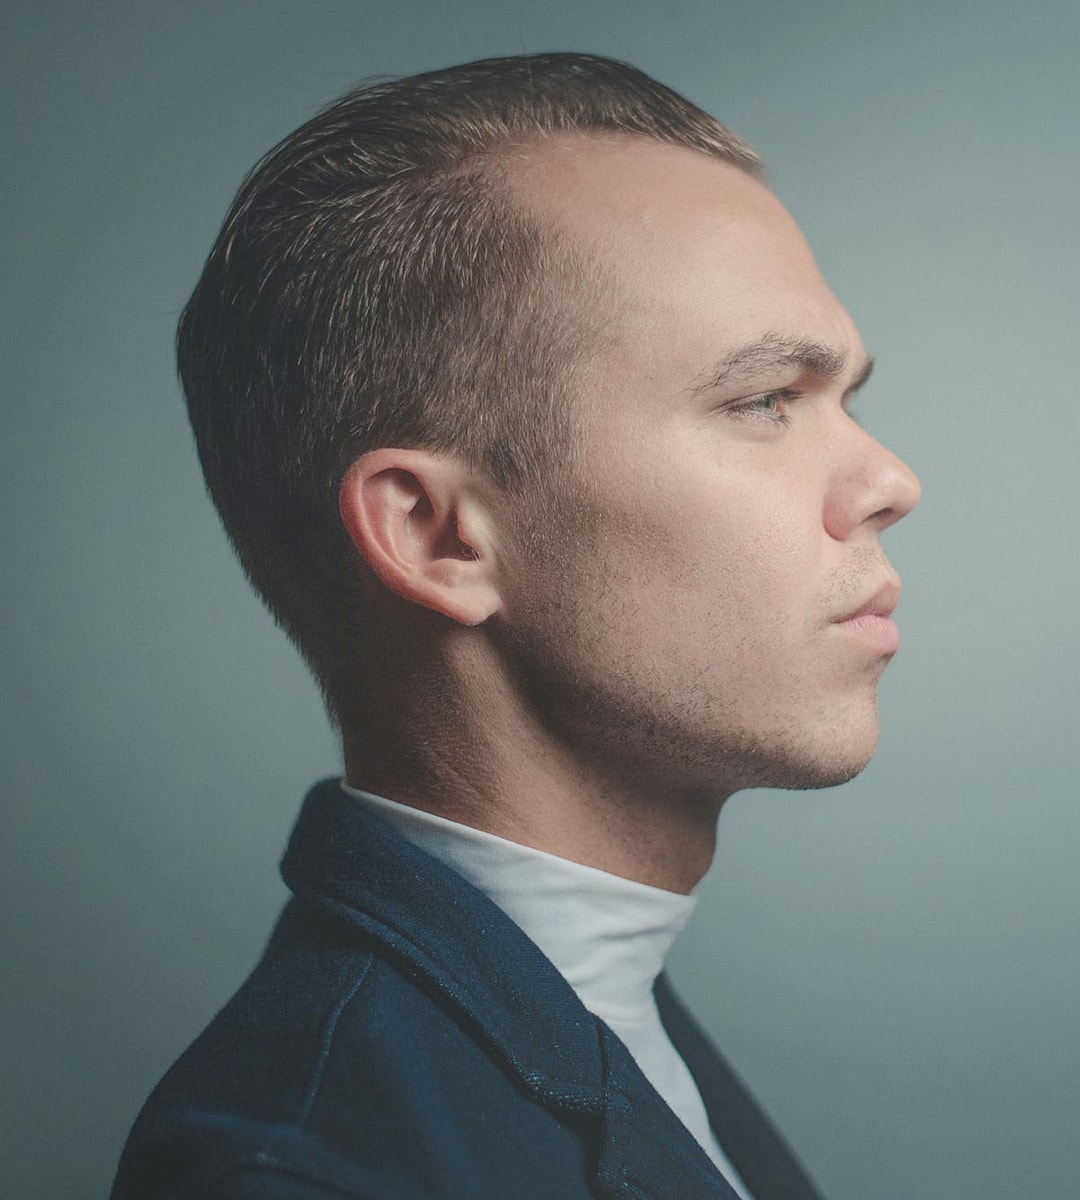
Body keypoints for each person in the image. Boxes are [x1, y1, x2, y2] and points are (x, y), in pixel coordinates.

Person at [111, 52, 919, 1200]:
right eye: (761, 402)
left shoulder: (603, 1010)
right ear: (440, 536)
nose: (891, 480)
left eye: (847, 397)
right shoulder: (304, 1172)